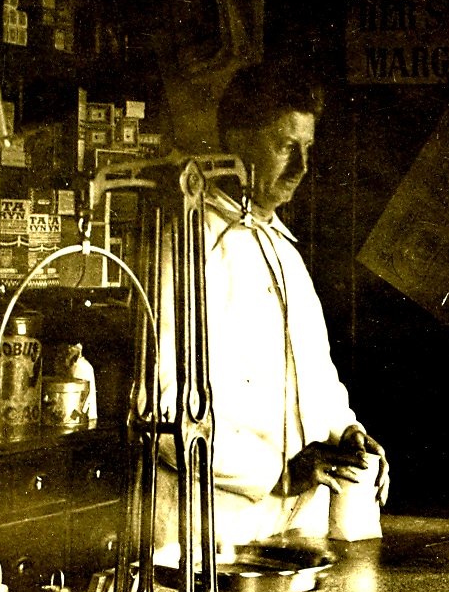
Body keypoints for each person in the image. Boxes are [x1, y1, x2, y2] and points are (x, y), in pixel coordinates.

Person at [157, 62, 390, 548]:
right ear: (237, 143)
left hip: (297, 530)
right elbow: (161, 410)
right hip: (214, 532)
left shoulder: (284, 252)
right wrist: (276, 474)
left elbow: (316, 377)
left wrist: (347, 430)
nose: (302, 166)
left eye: (308, 148)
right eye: (286, 146)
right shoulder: (189, 247)